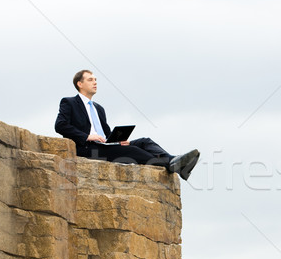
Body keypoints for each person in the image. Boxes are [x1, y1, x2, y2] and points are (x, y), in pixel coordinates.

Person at [55, 70, 199, 180]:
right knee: (134, 152)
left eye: (96, 80)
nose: (95, 82)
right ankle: (175, 166)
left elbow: (106, 133)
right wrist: (87, 136)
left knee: (144, 141)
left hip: (104, 144)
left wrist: (118, 139)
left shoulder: (99, 108)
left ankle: (173, 160)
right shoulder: (69, 102)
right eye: (90, 80)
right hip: (87, 148)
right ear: (80, 84)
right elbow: (60, 126)